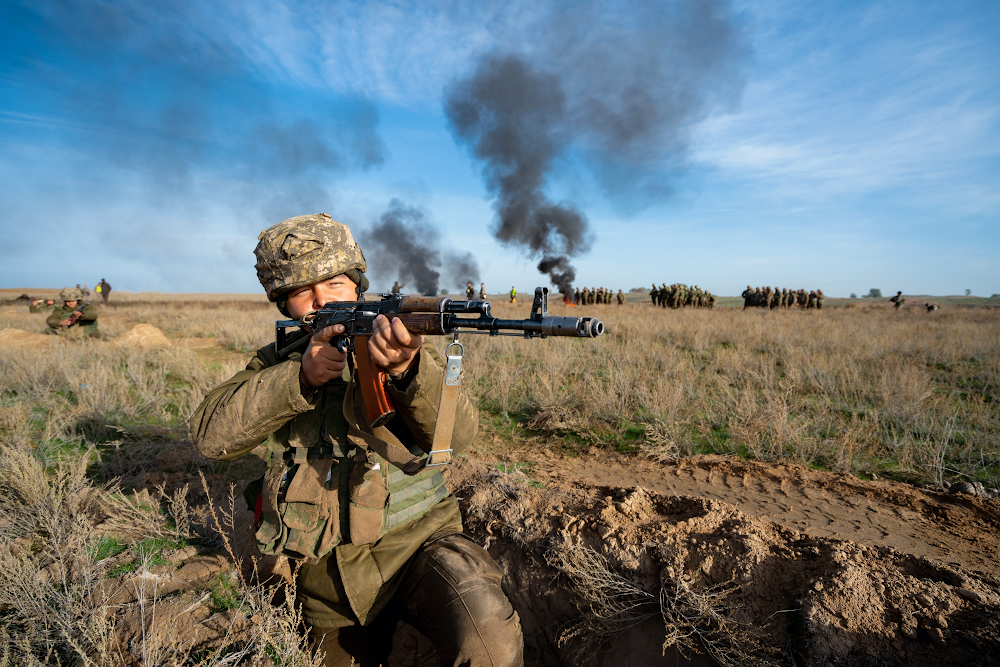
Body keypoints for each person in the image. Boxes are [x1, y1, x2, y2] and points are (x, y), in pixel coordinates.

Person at [189, 213, 523, 667]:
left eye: (334, 283)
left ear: (357, 284)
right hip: (323, 577)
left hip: (419, 545)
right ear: (282, 304)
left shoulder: (394, 341)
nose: (319, 300)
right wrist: (299, 379)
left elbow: (459, 436)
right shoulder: (278, 362)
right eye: (300, 292)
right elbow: (210, 436)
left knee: (489, 646)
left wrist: (407, 371)